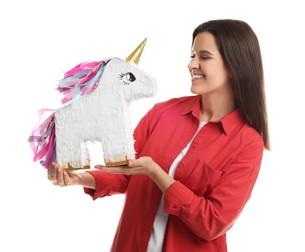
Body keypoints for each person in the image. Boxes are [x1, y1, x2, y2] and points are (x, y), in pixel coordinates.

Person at [48, 19, 270, 252]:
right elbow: (126, 173)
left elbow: (212, 222)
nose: (191, 64)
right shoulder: (164, 112)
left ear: (235, 66)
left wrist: (156, 173)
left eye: (204, 57)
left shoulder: (247, 143)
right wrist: (79, 178)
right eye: (192, 55)